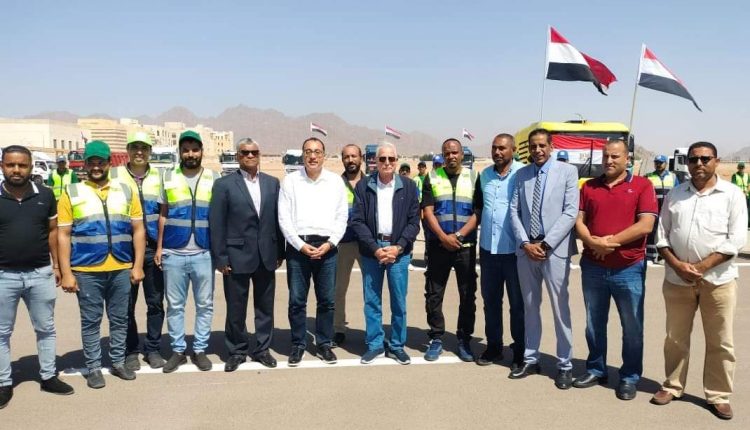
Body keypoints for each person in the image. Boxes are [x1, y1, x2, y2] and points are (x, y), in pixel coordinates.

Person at [651, 142, 747, 421]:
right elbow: (662, 235)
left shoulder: (732, 194)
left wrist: (701, 267)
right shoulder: (676, 194)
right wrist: (678, 265)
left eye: (705, 158)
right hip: (677, 279)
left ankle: (718, 395)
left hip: (718, 280)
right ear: (687, 163)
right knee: (675, 338)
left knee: (721, 341)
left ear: (717, 161)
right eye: (693, 159)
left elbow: (736, 239)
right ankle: (672, 385)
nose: (699, 164)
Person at [573, 140, 658, 400]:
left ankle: (629, 376)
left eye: (615, 156)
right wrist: (592, 242)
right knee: (593, 324)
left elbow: (646, 225)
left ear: (627, 159)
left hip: (628, 268)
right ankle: (596, 369)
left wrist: (609, 242)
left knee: (632, 327)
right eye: (606, 156)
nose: (609, 161)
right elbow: (579, 220)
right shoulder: (589, 186)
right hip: (593, 267)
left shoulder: (642, 185)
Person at [58, 140, 146, 389]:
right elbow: (63, 235)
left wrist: (137, 265)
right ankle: (94, 367)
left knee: (120, 319)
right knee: (91, 322)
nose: (96, 167)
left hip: (120, 267)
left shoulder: (126, 191)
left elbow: (138, 230)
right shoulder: (72, 192)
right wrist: (66, 273)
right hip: (86, 270)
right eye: (91, 162)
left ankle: (118, 362)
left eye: (101, 162)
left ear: (109, 163)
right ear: (85, 165)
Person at [0, 146, 74, 409]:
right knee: (1, 332)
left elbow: (53, 231)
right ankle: (3, 383)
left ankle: (48, 376)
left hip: (40, 273)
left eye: (22, 165)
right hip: (4, 276)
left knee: (46, 329)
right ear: (2, 166)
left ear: (31, 167)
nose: (16, 170)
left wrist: (57, 266)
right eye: (11, 165)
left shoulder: (45, 194)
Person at [508, 128, 578, 389]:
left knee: (560, 308)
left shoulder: (567, 172)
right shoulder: (521, 175)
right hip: (527, 252)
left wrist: (546, 244)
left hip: (554, 251)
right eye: (533, 146)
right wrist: (526, 243)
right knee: (530, 307)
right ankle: (531, 358)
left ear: (551, 146)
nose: (537, 150)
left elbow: (570, 212)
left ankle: (565, 364)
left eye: (542, 145)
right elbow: (514, 212)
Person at [210, 138, 284, 372]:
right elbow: (217, 223)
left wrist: (280, 251)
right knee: (236, 308)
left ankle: (262, 349)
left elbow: (278, 220)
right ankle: (237, 350)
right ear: (237, 156)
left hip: (266, 255)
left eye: (254, 152)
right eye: (245, 152)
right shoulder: (224, 185)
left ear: (259, 154)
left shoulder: (272, 183)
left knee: (265, 307)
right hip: (236, 256)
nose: (250, 156)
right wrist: (220, 258)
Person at [278, 137, 348, 366]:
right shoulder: (290, 181)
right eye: (308, 151)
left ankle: (324, 343)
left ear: (324, 155)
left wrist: (331, 243)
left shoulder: (335, 182)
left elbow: (342, 217)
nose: (313, 156)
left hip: (327, 248)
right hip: (299, 249)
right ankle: (298, 344)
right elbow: (284, 218)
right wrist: (300, 245)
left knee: (326, 301)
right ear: (303, 155)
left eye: (317, 151)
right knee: (297, 301)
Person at [155, 130, 220, 373]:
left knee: (205, 304)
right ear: (180, 152)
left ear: (201, 151)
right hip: (174, 251)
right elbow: (163, 215)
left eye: (195, 149)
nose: (190, 154)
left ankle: (200, 349)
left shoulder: (214, 178)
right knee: (175, 305)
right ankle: (178, 350)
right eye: (186, 150)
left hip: (204, 252)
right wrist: (160, 247)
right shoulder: (168, 177)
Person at [350, 142, 420, 365]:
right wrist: (375, 248)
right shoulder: (363, 186)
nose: (387, 163)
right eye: (382, 159)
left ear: (396, 161)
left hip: (399, 252)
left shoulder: (409, 186)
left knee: (398, 301)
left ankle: (397, 345)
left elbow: (414, 222)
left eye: (391, 159)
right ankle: (375, 344)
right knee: (372, 301)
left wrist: (398, 247)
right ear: (375, 161)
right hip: (373, 252)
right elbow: (357, 221)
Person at [110, 131, 167, 370]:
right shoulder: (114, 175)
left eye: (144, 148)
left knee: (155, 303)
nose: (139, 152)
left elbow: (165, 212)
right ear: (128, 150)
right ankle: (131, 350)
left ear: (150, 151)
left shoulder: (161, 176)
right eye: (135, 147)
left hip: (152, 249)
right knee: (126, 305)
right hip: (125, 250)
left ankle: (152, 348)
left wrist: (162, 246)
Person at [421, 138, 478, 362]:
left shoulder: (474, 177)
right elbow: (428, 211)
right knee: (434, 294)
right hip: (439, 246)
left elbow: (478, 212)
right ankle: (436, 337)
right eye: (447, 153)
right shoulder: (432, 177)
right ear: (443, 155)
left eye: (455, 152)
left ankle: (464, 339)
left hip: (465, 247)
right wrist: (443, 237)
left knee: (467, 295)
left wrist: (460, 235)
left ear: (462, 154)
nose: (451, 156)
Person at [474, 134, 526, 367]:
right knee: (491, 302)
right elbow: (478, 208)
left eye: (502, 148)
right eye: (494, 148)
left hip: (515, 252)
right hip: (488, 250)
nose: (497, 152)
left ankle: (520, 351)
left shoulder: (523, 173)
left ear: (513, 150)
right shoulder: (485, 175)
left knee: (518, 305)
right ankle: (494, 347)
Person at [333, 144, 364, 346]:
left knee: (371, 289)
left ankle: (373, 330)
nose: (350, 160)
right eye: (346, 157)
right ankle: (338, 328)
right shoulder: (336, 184)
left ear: (361, 158)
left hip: (366, 244)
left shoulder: (371, 183)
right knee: (338, 289)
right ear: (342, 159)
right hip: (343, 243)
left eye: (354, 156)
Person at [644, 155, 679, 262]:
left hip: (668, 209)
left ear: (666, 164)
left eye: (661, 162)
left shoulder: (673, 177)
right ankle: (650, 255)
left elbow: (677, 192)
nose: (658, 165)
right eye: (656, 162)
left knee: (666, 232)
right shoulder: (648, 176)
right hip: (653, 209)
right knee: (652, 231)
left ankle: (663, 256)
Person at [730, 161, 750, 228]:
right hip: (738, 196)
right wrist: (741, 193)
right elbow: (734, 186)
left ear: (744, 168)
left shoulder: (747, 175)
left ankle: (748, 224)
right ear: (738, 168)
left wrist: (746, 192)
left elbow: (748, 185)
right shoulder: (734, 176)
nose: (741, 169)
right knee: (738, 210)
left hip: (747, 196)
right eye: (740, 167)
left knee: (747, 210)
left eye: (742, 167)